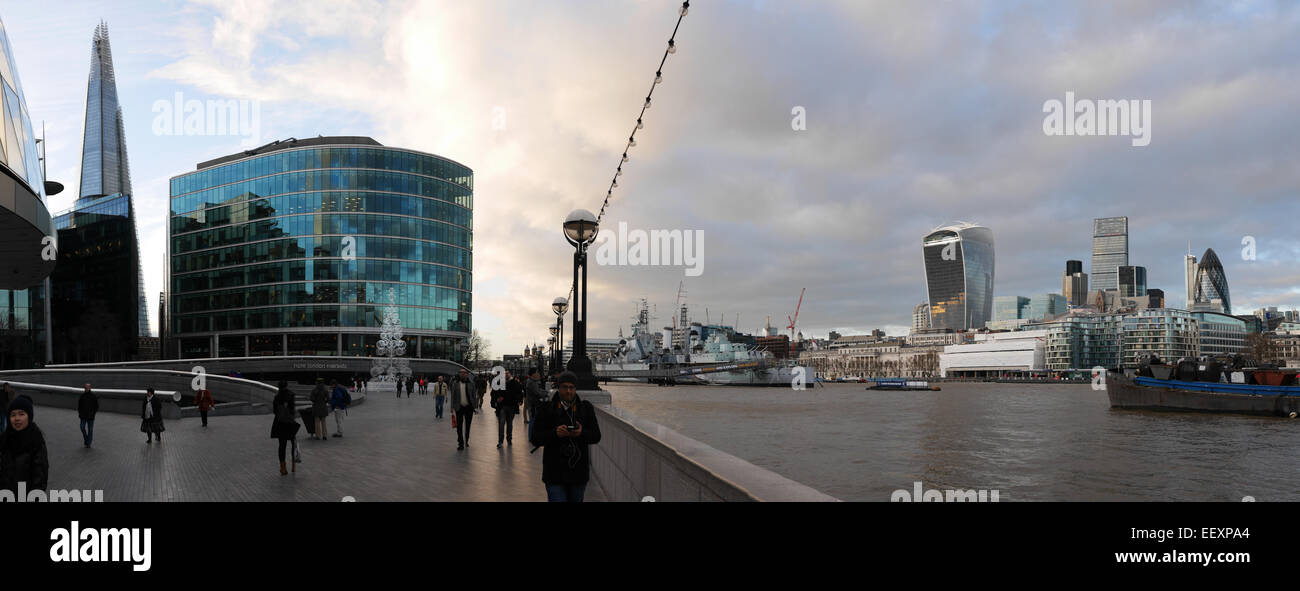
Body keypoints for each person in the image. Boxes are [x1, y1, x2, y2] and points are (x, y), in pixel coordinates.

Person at [530, 371, 601, 502]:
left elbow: (596, 436)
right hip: (554, 473)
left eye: (571, 387)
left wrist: (581, 433)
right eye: (564, 387)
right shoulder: (546, 408)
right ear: (558, 387)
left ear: (575, 389)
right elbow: (534, 437)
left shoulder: (585, 408)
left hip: (578, 473)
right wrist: (555, 433)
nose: (568, 391)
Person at [0, 395, 48, 494]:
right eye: (13, 415)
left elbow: (40, 478)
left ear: (29, 416)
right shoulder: (4, 440)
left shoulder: (36, 441)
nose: (17, 418)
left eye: (21, 414)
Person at [270, 380, 300, 475]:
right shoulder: (291, 395)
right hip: (290, 423)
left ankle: (283, 468)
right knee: (293, 443)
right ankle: (293, 466)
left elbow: (275, 411)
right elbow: (292, 410)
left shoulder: (277, 397)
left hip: (280, 423)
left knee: (282, 445)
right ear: (287, 385)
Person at [450, 368, 478, 450]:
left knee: (468, 425)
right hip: (459, 407)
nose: (462, 374)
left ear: (467, 374)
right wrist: (452, 407)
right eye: (461, 373)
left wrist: (475, 407)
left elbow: (474, 396)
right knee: (459, 426)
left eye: (464, 373)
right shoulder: (455, 383)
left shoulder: (471, 383)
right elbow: (453, 396)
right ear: (459, 374)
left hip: (469, 407)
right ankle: (460, 443)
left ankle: (466, 440)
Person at [495, 371, 524, 448]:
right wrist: (497, 399)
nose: (506, 374)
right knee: (501, 424)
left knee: (509, 424)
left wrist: (520, 401)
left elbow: (520, 392)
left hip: (511, 406)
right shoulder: (500, 382)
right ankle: (500, 441)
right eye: (504, 373)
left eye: (507, 373)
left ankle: (509, 439)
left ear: (510, 374)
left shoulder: (515, 383)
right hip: (502, 406)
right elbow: (495, 392)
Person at [524, 368, 547, 441]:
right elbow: (537, 392)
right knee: (532, 420)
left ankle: (531, 436)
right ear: (533, 374)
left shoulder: (533, 381)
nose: (538, 374)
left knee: (533, 420)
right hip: (533, 404)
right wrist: (547, 393)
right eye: (537, 372)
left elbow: (539, 390)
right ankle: (531, 437)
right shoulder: (531, 382)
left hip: (533, 403)